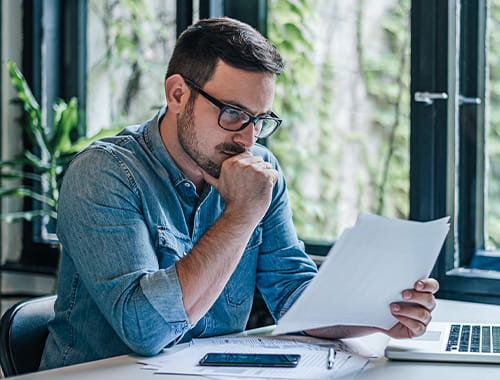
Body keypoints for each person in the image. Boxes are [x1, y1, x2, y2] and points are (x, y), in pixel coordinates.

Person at [40, 17, 439, 370]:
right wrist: (242, 212)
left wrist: (383, 315)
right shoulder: (105, 173)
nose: (247, 138)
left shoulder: (260, 170)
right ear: (177, 94)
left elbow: (293, 297)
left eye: (260, 120)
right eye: (232, 113)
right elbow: (147, 331)